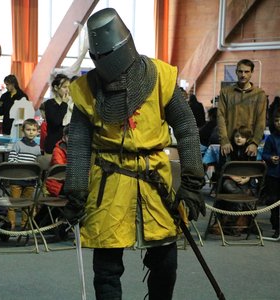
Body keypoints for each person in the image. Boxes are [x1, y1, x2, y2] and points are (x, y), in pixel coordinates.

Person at [62, 8, 205, 300]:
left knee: (165, 261)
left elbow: (188, 129)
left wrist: (192, 182)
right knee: (106, 268)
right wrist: (76, 190)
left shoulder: (161, 77)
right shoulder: (87, 90)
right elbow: (77, 143)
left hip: (155, 183)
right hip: (108, 184)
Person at [217, 59, 267, 158]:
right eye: (240, 71)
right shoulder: (225, 92)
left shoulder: (259, 94)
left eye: (247, 71)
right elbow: (220, 117)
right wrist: (224, 140)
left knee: (249, 173)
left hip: (249, 145)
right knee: (226, 172)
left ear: (252, 73)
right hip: (228, 144)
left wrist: (255, 142)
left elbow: (261, 121)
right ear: (236, 72)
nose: (243, 75)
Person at [6, 118, 41, 230]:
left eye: (34, 130)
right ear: (23, 130)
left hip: (30, 181)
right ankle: (10, 225)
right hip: (17, 179)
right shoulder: (18, 144)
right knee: (13, 204)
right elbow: (11, 160)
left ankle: (25, 225)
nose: (31, 132)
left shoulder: (37, 148)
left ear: (37, 132)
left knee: (27, 204)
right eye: (28, 129)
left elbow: (37, 164)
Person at [262, 109, 280, 238]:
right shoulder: (271, 138)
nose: (279, 123)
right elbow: (264, 154)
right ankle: (276, 227)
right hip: (273, 175)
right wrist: (270, 158)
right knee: (274, 202)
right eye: (276, 120)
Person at [43, 73, 70, 154]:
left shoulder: (72, 104)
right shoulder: (49, 103)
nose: (67, 90)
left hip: (67, 147)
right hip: (53, 146)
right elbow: (56, 121)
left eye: (69, 87)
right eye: (64, 87)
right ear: (55, 88)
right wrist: (64, 104)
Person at [45, 125, 69, 197]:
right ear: (64, 137)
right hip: (57, 184)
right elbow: (60, 170)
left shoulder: (79, 151)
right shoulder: (58, 150)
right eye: (70, 137)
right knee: (78, 195)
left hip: (71, 183)